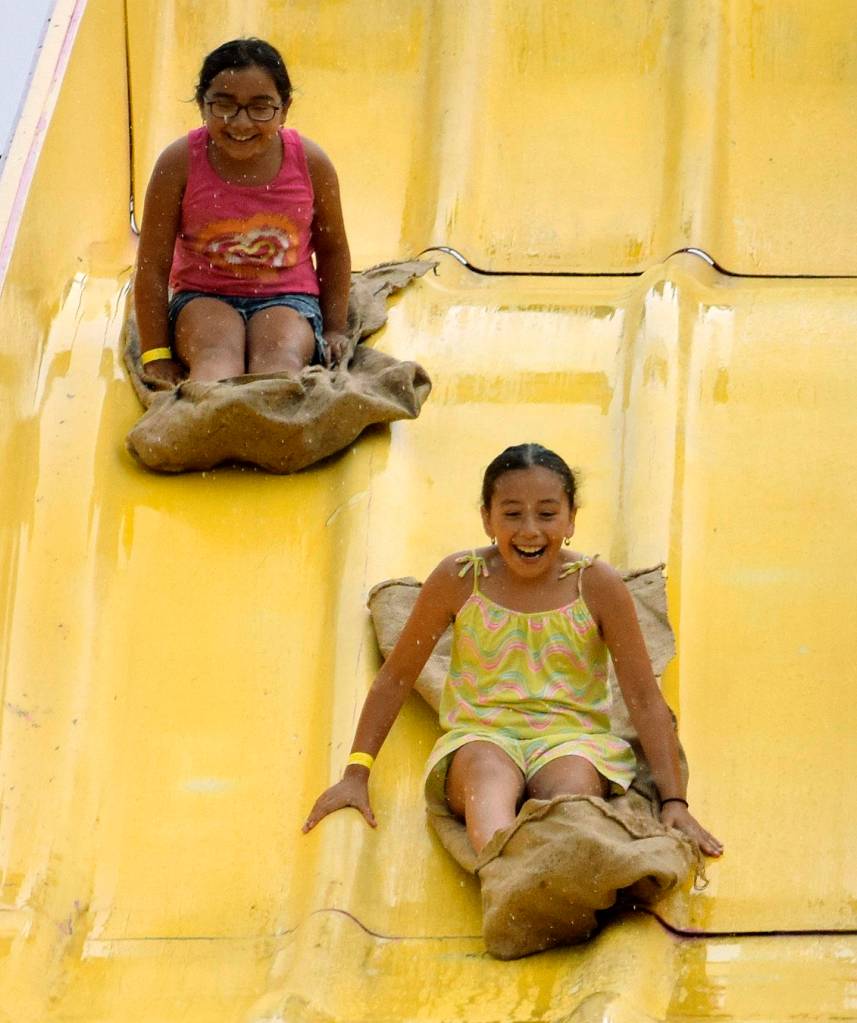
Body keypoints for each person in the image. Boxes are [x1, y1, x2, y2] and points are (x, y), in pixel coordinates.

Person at [304, 443, 723, 859]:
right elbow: (397, 676)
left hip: (572, 739)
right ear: (487, 519)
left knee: (571, 800)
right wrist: (356, 772)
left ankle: (550, 867)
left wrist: (674, 802)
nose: (529, 530)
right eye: (511, 513)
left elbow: (643, 698)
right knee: (487, 782)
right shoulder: (459, 578)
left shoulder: (597, 585)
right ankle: (511, 870)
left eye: (546, 513)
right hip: (482, 736)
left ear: (571, 519)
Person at [134, 38, 351, 386]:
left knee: (278, 366)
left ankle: (268, 430)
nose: (241, 123)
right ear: (202, 105)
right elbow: (152, 265)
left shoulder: (311, 163)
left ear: (285, 108)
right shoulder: (178, 164)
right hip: (203, 296)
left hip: (289, 297)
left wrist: (336, 327)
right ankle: (212, 427)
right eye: (224, 105)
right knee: (217, 360)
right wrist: (155, 353)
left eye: (260, 108)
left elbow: (333, 250)